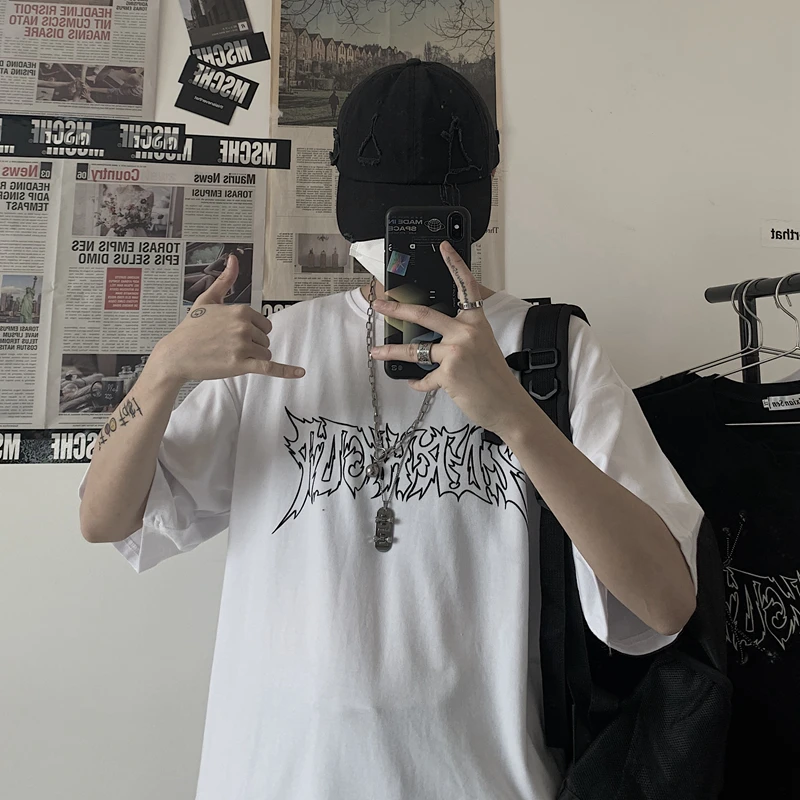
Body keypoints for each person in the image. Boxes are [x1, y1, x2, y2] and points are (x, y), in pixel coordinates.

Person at [79, 60, 701, 800]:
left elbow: (665, 604)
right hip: (275, 778)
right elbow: (104, 519)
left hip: (482, 782)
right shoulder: (278, 342)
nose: (398, 245)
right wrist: (161, 372)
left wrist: (515, 416)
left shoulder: (550, 350)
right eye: (385, 221)